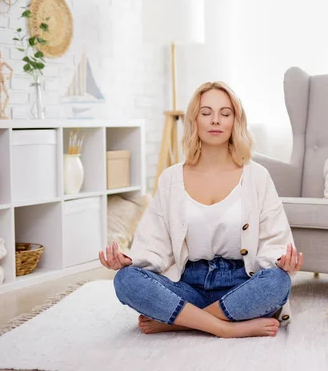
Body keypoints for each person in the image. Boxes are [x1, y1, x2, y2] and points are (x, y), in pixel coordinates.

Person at [99, 81, 303, 338]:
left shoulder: (257, 176)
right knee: (125, 280)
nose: (215, 120)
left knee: (278, 282)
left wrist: (282, 261)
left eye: (225, 114)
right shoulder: (171, 178)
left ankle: (180, 321)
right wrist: (131, 261)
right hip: (187, 285)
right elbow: (154, 241)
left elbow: (275, 239)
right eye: (206, 113)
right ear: (194, 120)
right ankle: (224, 327)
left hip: (240, 282)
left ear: (235, 122)